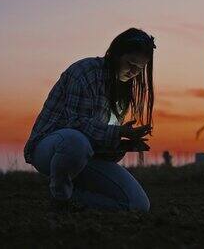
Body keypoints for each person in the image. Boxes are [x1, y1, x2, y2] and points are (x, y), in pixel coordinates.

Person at [23, 27, 156, 213]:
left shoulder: (120, 90)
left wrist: (122, 144)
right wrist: (118, 132)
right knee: (75, 141)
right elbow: (76, 124)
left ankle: (74, 200)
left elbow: (97, 143)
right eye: (131, 63)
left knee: (138, 205)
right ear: (116, 55)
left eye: (140, 69)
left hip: (86, 156)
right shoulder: (85, 73)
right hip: (50, 148)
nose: (134, 72)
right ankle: (60, 198)